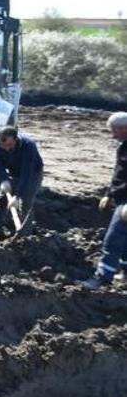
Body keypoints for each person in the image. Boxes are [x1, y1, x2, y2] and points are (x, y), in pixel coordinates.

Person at [79, 112, 127, 289]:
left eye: (114, 131)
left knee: (113, 239)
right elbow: (119, 173)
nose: (112, 135)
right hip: (121, 198)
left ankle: (102, 278)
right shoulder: (123, 147)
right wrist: (110, 194)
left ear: (124, 129)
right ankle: (125, 274)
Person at [0, 126, 44, 235]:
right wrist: (4, 180)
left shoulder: (28, 146)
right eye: (3, 146)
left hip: (33, 173)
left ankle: (26, 233)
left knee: (25, 202)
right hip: (13, 170)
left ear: (16, 140)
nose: (6, 148)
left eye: (10, 145)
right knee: (3, 198)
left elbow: (26, 174)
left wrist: (17, 196)